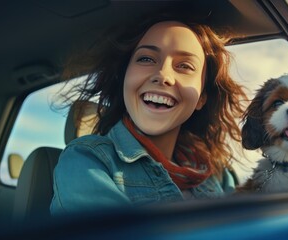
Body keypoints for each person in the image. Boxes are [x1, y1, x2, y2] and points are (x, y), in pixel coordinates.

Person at [50, 16, 248, 215]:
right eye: (146, 59)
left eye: (185, 66)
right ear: (124, 78)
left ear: (201, 98)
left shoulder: (218, 174)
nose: (162, 75)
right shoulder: (86, 161)